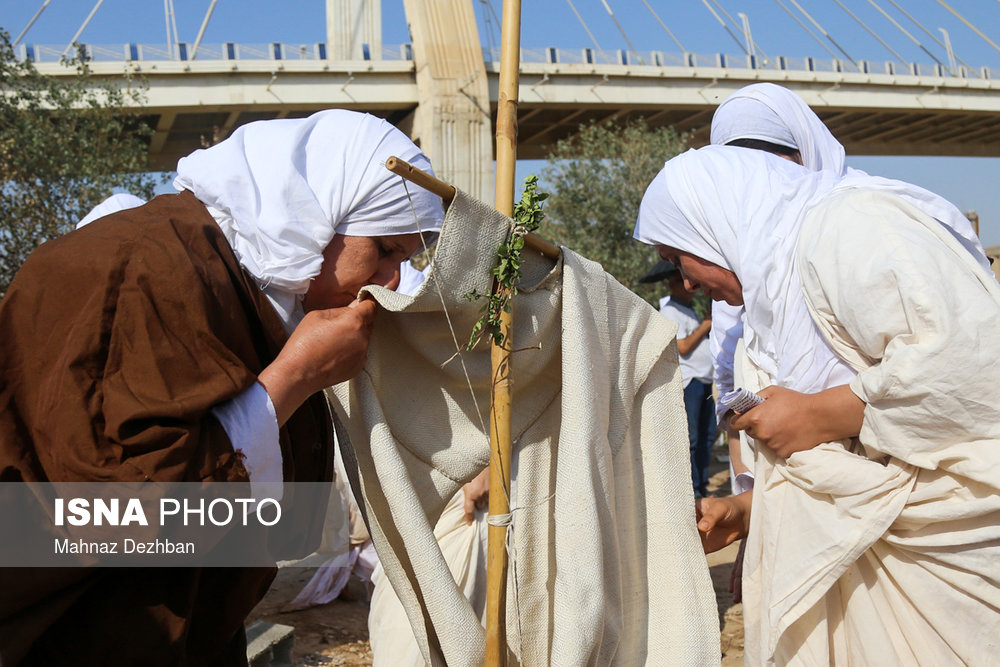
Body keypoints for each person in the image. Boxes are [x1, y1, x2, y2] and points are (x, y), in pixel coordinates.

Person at [0, 109, 443, 666]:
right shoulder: (145, 270)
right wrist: (295, 376)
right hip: (74, 636)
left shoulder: (247, 290)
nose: (390, 281)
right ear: (317, 212)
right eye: (383, 251)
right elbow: (119, 516)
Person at [634, 144, 1000, 664]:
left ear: (715, 223)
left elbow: (972, 361)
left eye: (678, 258)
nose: (686, 282)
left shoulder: (852, 227)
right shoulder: (765, 315)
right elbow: (845, 474)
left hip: (936, 575)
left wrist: (823, 412)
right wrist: (745, 513)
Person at [707, 82, 992, 499]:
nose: (765, 180)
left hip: (922, 479)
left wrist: (822, 416)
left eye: (774, 161)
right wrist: (751, 502)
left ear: (805, 151)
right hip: (786, 492)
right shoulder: (742, 267)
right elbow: (735, 394)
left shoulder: (879, 216)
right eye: (741, 169)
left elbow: (963, 363)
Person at [640, 259, 715, 497]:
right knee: (691, 438)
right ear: (672, 284)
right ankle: (691, 492)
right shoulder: (670, 311)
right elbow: (682, 347)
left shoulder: (689, 310)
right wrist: (705, 326)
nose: (689, 284)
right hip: (689, 381)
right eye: (682, 279)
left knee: (707, 436)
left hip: (704, 380)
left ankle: (702, 486)